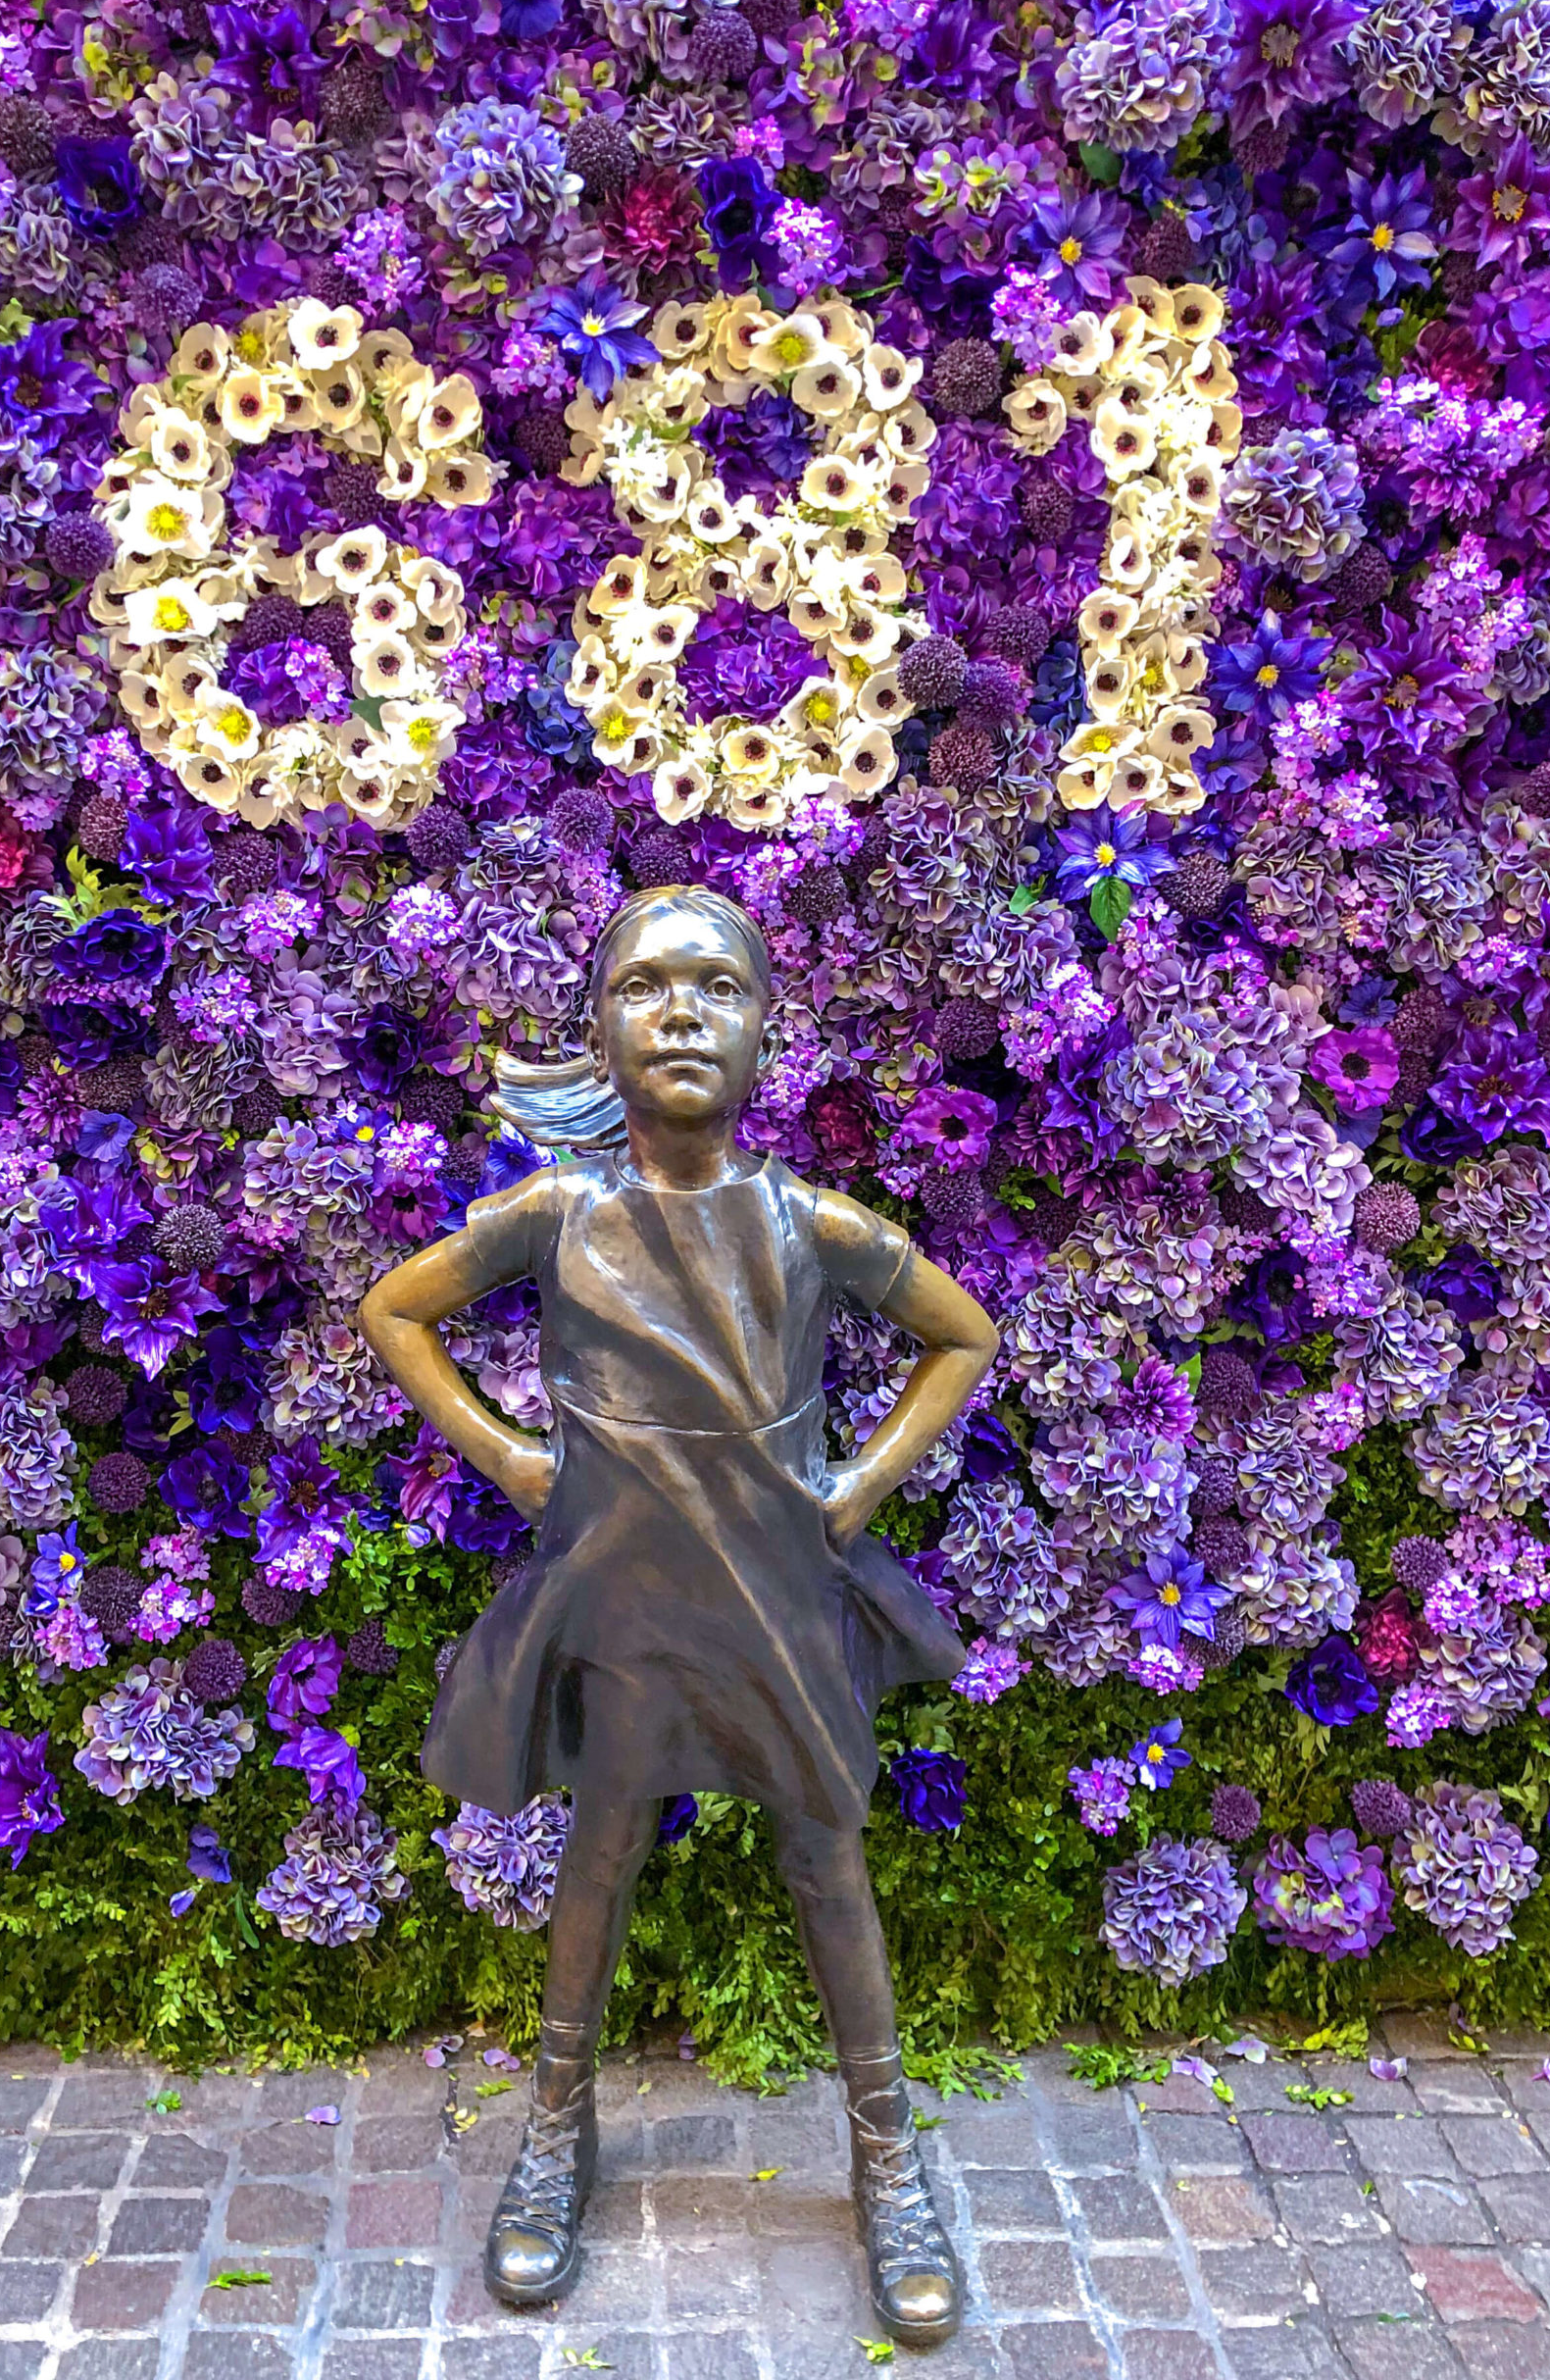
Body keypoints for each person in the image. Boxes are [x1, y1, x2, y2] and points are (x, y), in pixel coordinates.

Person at [359, 885, 999, 2348]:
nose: (681, 1013)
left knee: (828, 1856)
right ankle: (557, 2124)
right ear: (599, 1028)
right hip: (624, 1597)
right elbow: (398, 1310)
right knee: (602, 1846)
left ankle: (887, 2151)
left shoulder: (811, 1224)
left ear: (768, 1030)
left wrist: (855, 1489)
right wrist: (517, 1459)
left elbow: (963, 1336)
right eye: (646, 986)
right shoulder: (558, 1214)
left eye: (717, 986)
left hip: (776, 1590)